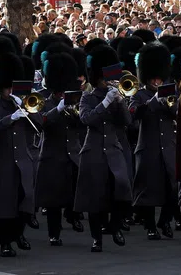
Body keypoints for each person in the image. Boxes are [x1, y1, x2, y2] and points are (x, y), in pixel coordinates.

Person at [75, 46, 134, 252]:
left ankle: (115, 225)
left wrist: (119, 103)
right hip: (93, 150)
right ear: (99, 76)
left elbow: (127, 121)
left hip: (114, 148)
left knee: (123, 189)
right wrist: (106, 102)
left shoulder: (116, 94)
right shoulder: (88, 97)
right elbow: (86, 119)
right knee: (95, 197)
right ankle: (96, 238)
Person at [0, 52, 38, 258]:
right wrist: (11, 117)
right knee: (5, 206)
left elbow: (39, 125)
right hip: (3, 163)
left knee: (26, 202)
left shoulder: (24, 105)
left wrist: (27, 109)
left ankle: (18, 234)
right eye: (7, 87)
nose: (10, 91)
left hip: (23, 161)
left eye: (12, 87)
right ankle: (6, 243)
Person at [131, 42, 179, 242]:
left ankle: (165, 221)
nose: (157, 82)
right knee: (149, 189)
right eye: (154, 79)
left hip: (169, 145)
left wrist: (169, 103)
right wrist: (153, 101)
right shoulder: (139, 94)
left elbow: (178, 112)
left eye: (160, 78)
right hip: (148, 146)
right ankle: (150, 226)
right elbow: (134, 113)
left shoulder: (171, 92)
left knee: (173, 187)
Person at [36, 49, 84, 246]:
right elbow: (42, 122)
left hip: (72, 153)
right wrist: (59, 109)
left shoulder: (74, 100)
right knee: (53, 200)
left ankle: (73, 215)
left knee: (76, 190)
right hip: (52, 154)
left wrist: (74, 113)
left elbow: (82, 124)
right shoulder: (44, 101)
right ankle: (54, 234)